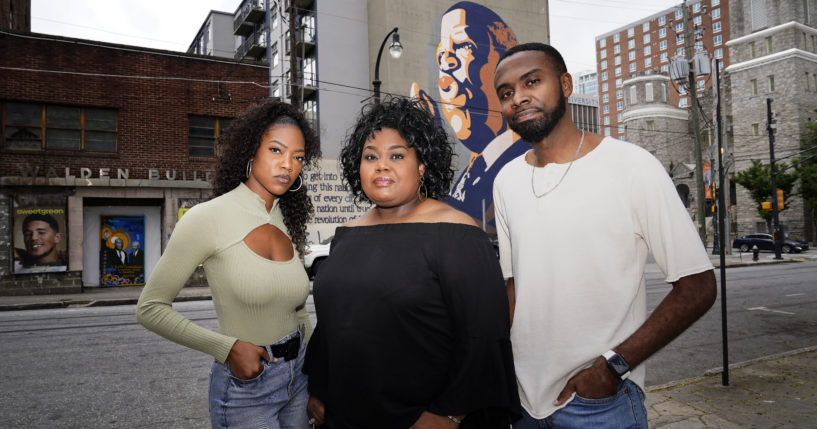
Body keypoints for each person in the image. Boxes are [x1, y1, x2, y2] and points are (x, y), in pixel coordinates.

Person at [491, 43, 717, 428]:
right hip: (523, 401)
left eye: (532, 81)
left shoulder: (631, 166)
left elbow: (698, 286)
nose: (519, 98)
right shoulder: (506, 181)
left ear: (564, 84)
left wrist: (612, 369)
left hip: (597, 406)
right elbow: (515, 287)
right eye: (507, 92)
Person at [303, 97, 520, 429]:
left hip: (423, 419)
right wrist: (318, 390)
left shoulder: (457, 232)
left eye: (397, 155)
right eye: (370, 156)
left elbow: (485, 338)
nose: (381, 166)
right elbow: (331, 327)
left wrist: (450, 415)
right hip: (346, 413)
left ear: (421, 167)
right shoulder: (347, 233)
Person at [136, 100, 320, 428]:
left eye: (298, 157)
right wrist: (227, 348)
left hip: (299, 379)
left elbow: (298, 310)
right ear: (251, 151)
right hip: (247, 388)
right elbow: (150, 308)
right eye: (276, 150)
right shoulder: (207, 218)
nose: (287, 165)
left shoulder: (288, 219)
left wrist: (320, 374)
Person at [411, 1, 526, 224]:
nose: (445, 74)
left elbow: (466, 226)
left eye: (464, 47)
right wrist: (432, 138)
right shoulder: (471, 171)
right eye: (441, 58)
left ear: (505, 68)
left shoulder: (525, 163)